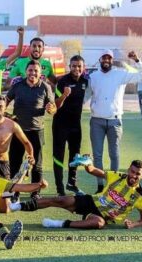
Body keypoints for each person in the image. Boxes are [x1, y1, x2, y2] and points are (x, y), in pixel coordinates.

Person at [11, 156, 142, 230]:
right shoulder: (118, 176)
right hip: (92, 201)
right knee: (60, 200)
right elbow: (93, 170)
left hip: (103, 216)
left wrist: (134, 224)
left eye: (138, 174)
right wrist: (87, 163)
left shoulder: (140, 196)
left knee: (99, 223)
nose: (134, 176)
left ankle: (58, 224)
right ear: (128, 170)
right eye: (132, 171)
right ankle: (18, 206)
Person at [87, 50, 142, 193]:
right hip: (97, 121)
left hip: (115, 121)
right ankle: (100, 186)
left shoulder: (120, 74)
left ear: (112, 60)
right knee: (97, 155)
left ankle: (112, 185)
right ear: (100, 59)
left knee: (114, 154)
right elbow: (85, 94)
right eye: (104, 58)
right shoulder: (93, 76)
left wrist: (137, 60)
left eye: (109, 58)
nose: (106, 60)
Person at [6, 60, 57, 200]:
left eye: (36, 71)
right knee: (15, 163)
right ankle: (14, 192)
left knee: (37, 164)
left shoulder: (45, 87)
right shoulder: (17, 86)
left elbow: (53, 108)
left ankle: (35, 193)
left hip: (36, 131)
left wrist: (51, 109)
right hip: (18, 131)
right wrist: (5, 114)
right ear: (26, 71)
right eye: (30, 70)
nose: (33, 73)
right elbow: (5, 101)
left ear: (40, 73)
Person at [52, 55, 88, 196]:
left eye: (79, 66)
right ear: (70, 66)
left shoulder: (85, 81)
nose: (76, 68)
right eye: (74, 66)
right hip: (61, 125)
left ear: (83, 67)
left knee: (75, 156)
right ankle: (60, 188)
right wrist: (64, 95)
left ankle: (71, 183)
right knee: (58, 156)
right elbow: (55, 105)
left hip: (75, 125)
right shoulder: (63, 82)